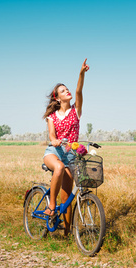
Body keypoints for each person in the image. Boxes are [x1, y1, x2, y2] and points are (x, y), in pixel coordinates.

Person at [42, 58, 90, 236]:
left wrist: (81, 73)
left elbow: (79, 90)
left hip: (70, 157)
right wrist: (54, 141)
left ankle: (68, 233)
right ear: (57, 97)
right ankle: (51, 206)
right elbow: (52, 136)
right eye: (63, 91)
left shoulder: (75, 111)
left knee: (67, 198)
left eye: (67, 89)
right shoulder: (52, 117)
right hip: (54, 153)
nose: (67, 91)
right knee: (59, 167)